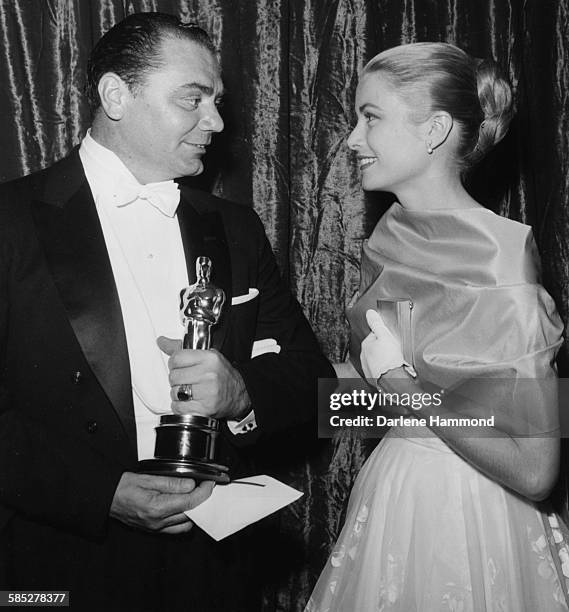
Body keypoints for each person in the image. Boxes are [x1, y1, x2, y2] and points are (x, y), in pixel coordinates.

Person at [0, 12, 334, 611]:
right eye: (194, 99)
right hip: (56, 560)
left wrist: (241, 393)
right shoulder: (10, 220)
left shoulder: (234, 227)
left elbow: (317, 383)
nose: (217, 121)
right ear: (115, 96)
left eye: (217, 100)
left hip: (211, 562)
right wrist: (102, 493)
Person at [306, 42, 569, 611]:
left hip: (473, 513)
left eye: (370, 117)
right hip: (396, 490)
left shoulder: (501, 261)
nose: (352, 139)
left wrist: (405, 390)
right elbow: (379, 390)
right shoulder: (390, 236)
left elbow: (535, 471)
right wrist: (257, 391)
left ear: (434, 130)